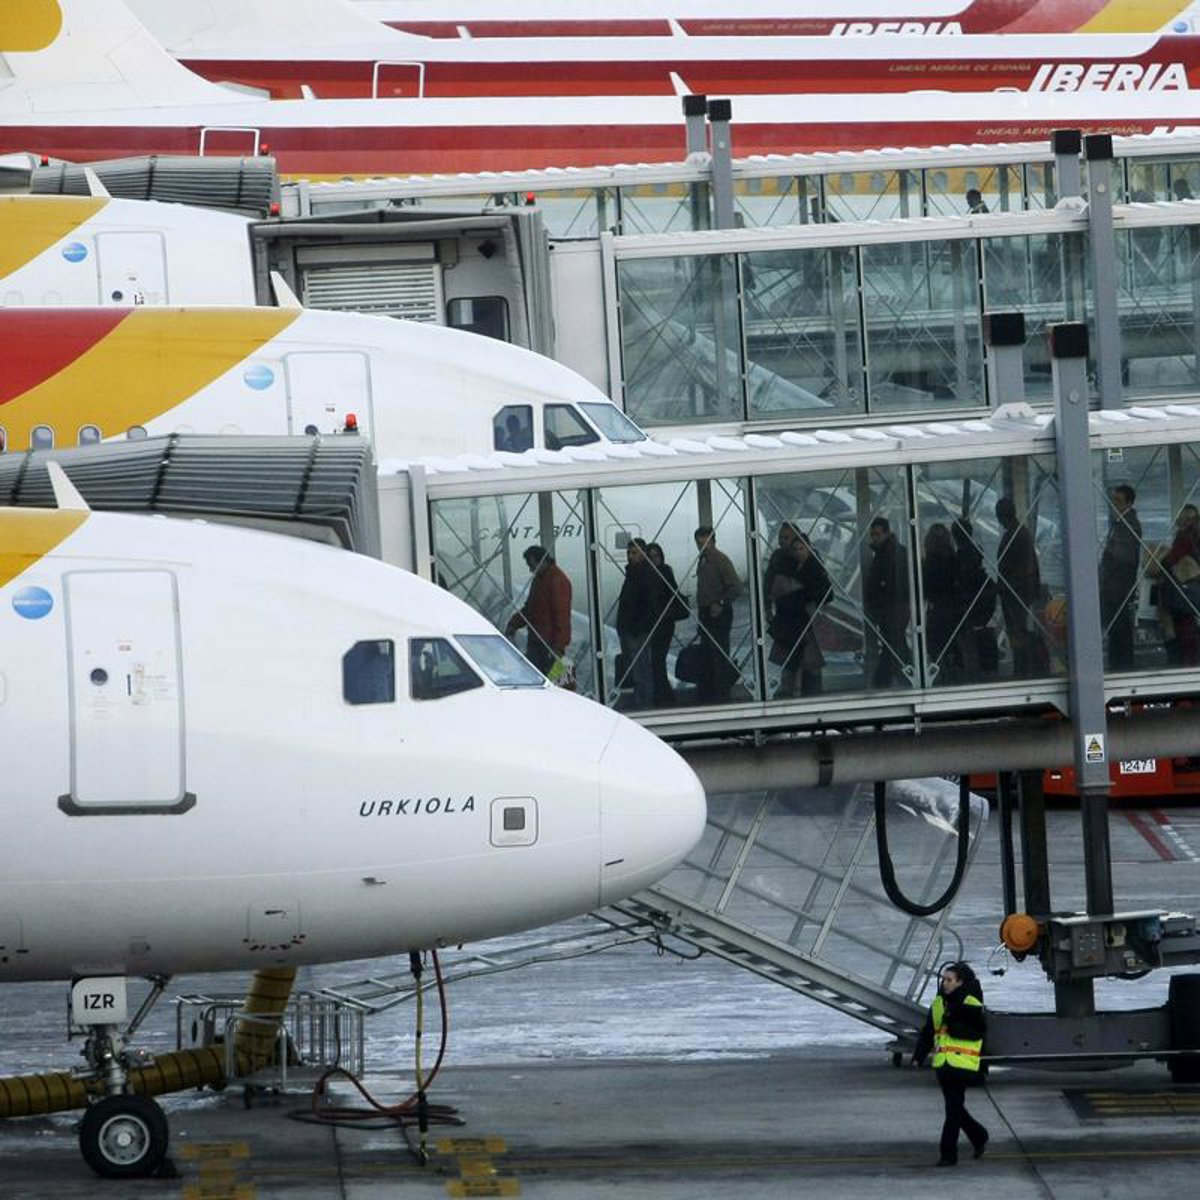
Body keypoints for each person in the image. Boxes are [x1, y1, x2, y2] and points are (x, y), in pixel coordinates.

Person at [912, 961, 989, 1167]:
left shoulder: (971, 1003)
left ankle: (948, 1154)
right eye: (943, 979)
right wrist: (918, 1056)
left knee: (953, 1111)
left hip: (962, 1064)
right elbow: (929, 1031)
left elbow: (978, 1031)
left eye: (949, 980)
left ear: (960, 982)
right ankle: (979, 1135)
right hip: (943, 1065)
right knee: (955, 1108)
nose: (944, 983)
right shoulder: (938, 1004)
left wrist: (953, 1017)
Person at [768, 528, 832, 697]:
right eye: (796, 549)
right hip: (791, 618)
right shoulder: (788, 563)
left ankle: (805, 692)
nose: (798, 552)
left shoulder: (813, 567)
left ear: (808, 548)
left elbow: (827, 593)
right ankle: (794, 691)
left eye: (801, 548)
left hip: (804, 619)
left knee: (807, 658)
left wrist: (804, 594)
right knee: (795, 657)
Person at [995, 497, 1047, 678]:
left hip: (1017, 592)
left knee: (1018, 631)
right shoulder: (1019, 533)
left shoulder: (1017, 536)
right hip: (1017, 591)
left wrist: (1007, 585)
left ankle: (1023, 667)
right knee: (1016, 631)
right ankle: (1022, 666)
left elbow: (1025, 567)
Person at [504, 545, 571, 676]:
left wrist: (558, 646)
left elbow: (562, 616)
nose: (531, 570)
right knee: (536, 676)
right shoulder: (540, 579)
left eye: (532, 565)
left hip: (549, 644)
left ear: (541, 561)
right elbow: (530, 608)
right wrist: (514, 623)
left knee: (548, 679)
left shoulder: (557, 580)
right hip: (538, 640)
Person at [693, 525, 742, 703]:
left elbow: (736, 587)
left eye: (705, 543)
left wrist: (721, 602)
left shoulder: (721, 561)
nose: (702, 547)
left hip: (718, 611)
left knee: (719, 653)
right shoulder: (703, 560)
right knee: (708, 653)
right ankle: (711, 691)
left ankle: (722, 692)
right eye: (699, 544)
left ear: (713, 542)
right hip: (706, 611)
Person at [1099, 484, 1142, 672]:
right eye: (1113, 501)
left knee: (1120, 629)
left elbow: (1124, 557)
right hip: (1115, 585)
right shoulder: (1121, 524)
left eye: (1118, 501)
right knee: (1116, 628)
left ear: (1129, 503)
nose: (1114, 505)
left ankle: (1122, 665)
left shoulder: (1128, 525)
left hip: (1118, 585)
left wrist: (1107, 562)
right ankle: (1120, 664)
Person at [864, 516, 911, 688]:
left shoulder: (889, 554)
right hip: (891, 607)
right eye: (873, 535)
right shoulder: (889, 552)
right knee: (896, 644)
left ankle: (884, 680)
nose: (874, 538)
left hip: (892, 607)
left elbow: (894, 583)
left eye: (877, 534)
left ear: (886, 533)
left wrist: (879, 599)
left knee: (892, 644)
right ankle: (905, 676)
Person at [951, 518, 997, 679]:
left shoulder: (961, 558)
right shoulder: (975, 553)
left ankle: (973, 675)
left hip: (967, 604)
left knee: (969, 646)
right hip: (980, 603)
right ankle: (979, 673)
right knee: (972, 644)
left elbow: (964, 580)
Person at [615, 538, 657, 708]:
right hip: (629, 628)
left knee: (641, 669)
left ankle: (644, 703)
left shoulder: (645, 575)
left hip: (637, 630)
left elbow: (649, 605)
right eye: (629, 553)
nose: (630, 556)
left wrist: (638, 627)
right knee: (635, 668)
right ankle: (642, 701)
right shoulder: (633, 573)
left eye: (634, 553)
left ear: (643, 554)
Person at [646, 542, 686, 707]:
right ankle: (663, 693)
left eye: (656, 556)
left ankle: (663, 695)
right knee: (656, 661)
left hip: (664, 623)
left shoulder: (665, 573)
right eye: (651, 557)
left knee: (658, 659)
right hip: (653, 623)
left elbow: (672, 593)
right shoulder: (648, 575)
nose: (654, 560)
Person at [1162, 504, 1200, 667]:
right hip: (1194, 590)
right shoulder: (1195, 536)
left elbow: (1170, 561)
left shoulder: (1183, 538)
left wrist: (1162, 557)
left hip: (1182, 593)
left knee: (1183, 633)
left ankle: (1184, 666)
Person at [922, 523, 960, 683]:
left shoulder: (929, 563)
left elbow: (926, 587)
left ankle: (941, 675)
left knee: (935, 644)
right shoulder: (954, 559)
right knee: (950, 644)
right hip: (953, 608)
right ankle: (951, 674)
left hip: (937, 609)